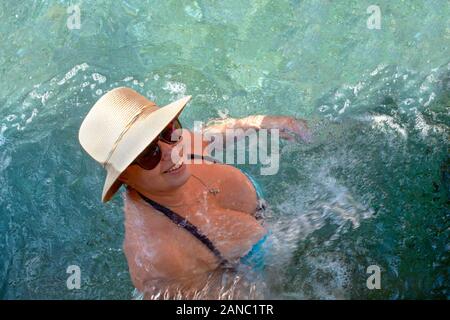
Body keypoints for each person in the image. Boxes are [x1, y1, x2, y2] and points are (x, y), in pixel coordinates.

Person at [78, 87, 310, 299]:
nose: (171, 150)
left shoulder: (179, 144)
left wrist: (259, 122)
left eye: (168, 131)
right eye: (149, 153)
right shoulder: (160, 256)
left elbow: (210, 136)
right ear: (124, 177)